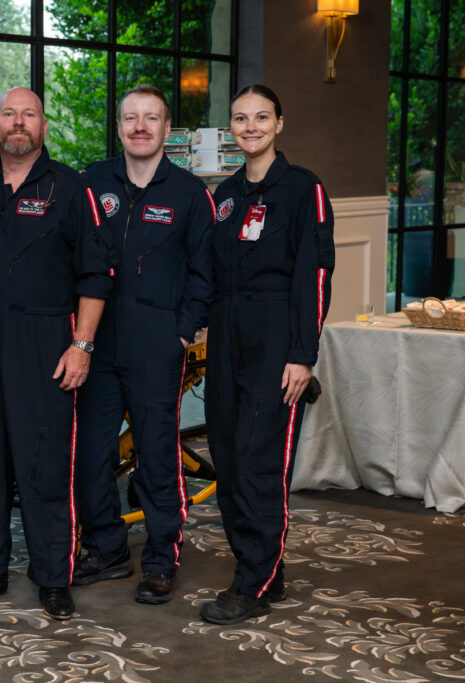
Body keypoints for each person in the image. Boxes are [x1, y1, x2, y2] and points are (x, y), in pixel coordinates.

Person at [0, 86, 113, 621]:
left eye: (29, 114)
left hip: (46, 340)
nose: (18, 123)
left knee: (45, 465)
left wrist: (82, 344)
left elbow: (95, 275)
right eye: (8, 114)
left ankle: (53, 576)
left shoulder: (72, 188)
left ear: (43, 126)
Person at [75, 85, 215, 602]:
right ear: (118, 126)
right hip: (96, 343)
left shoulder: (189, 193)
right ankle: (107, 549)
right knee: (91, 454)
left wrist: (182, 330)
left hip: (157, 345)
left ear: (166, 129)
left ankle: (161, 556)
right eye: (130, 118)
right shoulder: (91, 183)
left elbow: (205, 272)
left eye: (150, 118)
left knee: (157, 455)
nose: (139, 126)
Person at [202, 84, 334, 624]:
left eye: (261, 117)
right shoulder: (225, 195)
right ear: (231, 128)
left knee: (261, 462)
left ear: (280, 123)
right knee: (230, 460)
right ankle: (264, 567)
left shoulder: (304, 189)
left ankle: (252, 582)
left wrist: (303, 354)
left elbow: (316, 274)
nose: (250, 126)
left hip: (278, 339)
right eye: (240, 118)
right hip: (226, 338)